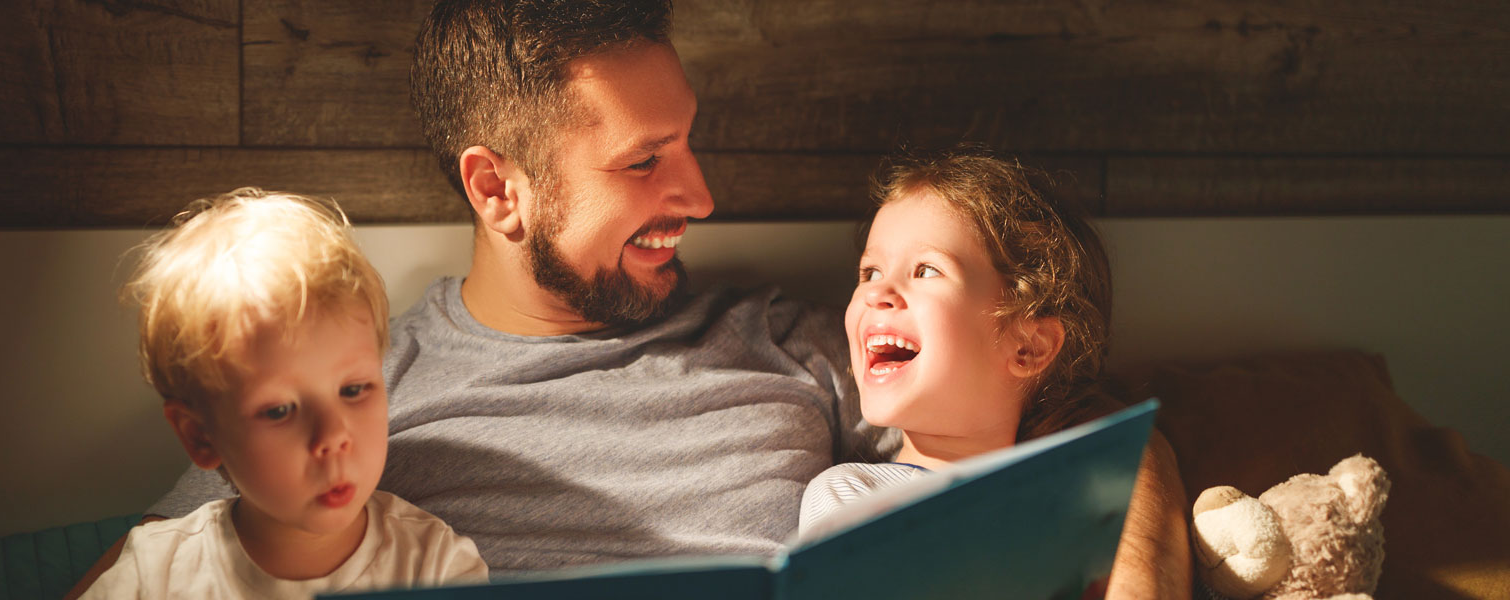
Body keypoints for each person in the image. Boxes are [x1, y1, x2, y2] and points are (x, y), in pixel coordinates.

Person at [77, 1, 1188, 597]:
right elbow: (163, 568)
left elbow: (1094, 434)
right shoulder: (354, 399)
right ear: (498, 189)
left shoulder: (794, 343)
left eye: (689, 142)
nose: (700, 194)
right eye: (642, 161)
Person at [800, 152, 1190, 597]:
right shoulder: (850, 498)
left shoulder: (1078, 513)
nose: (878, 293)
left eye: (926, 269)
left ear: (1028, 347)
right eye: (869, 272)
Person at [81, 189, 487, 599]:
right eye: (279, 410)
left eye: (353, 389)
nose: (332, 436)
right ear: (200, 436)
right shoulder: (156, 575)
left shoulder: (435, 567)